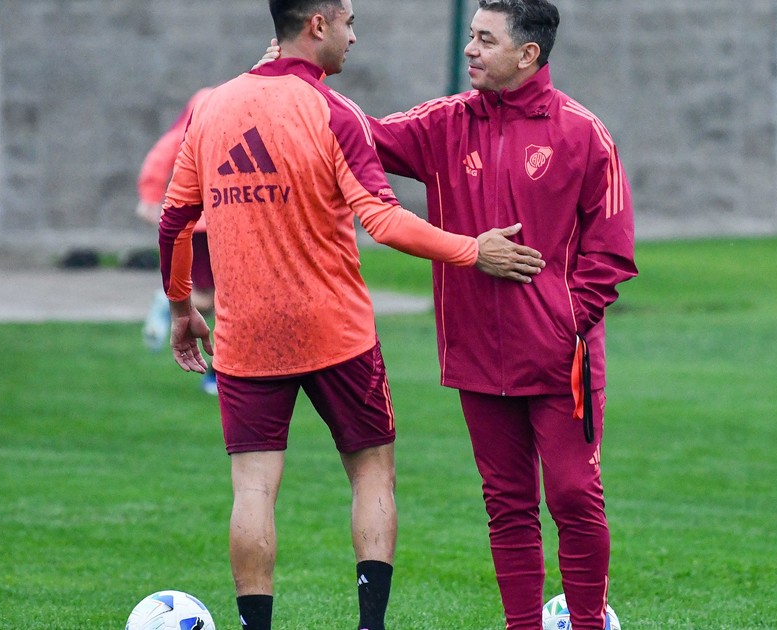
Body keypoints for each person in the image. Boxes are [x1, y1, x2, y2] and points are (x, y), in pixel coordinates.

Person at [157, 1, 544, 629]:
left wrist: (180, 308)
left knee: (252, 489)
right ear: (318, 25)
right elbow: (383, 221)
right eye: (349, 21)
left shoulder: (213, 107)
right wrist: (475, 250)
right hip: (337, 333)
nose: (353, 36)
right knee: (371, 475)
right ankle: (370, 625)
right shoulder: (334, 112)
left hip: (247, 334)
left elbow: (175, 221)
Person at [258, 1, 637, 626]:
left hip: (561, 362)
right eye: (471, 35)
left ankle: (589, 623)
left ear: (528, 54)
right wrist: (299, 78)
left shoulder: (582, 133)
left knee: (574, 498)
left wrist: (563, 321)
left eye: (485, 39)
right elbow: (363, 134)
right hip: (477, 358)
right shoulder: (444, 123)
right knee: (507, 505)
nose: (470, 49)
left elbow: (611, 252)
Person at [136, 86, 220, 394]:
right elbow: (167, 148)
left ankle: (219, 374)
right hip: (207, 224)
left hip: (225, 221)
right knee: (221, 300)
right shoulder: (210, 105)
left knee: (219, 300)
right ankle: (217, 375)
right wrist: (150, 194)